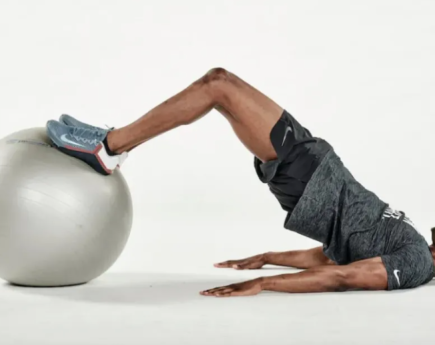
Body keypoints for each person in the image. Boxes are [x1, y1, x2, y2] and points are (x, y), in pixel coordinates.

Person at [46, 68, 435, 297]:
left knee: (219, 85)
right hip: (316, 163)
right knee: (219, 86)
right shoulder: (414, 244)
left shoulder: (417, 263)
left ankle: (108, 146)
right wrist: (268, 257)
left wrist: (265, 285)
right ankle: (112, 140)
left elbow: (345, 276)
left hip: (310, 176)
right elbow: (335, 256)